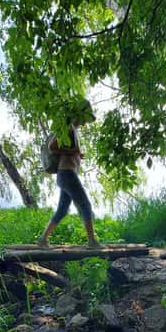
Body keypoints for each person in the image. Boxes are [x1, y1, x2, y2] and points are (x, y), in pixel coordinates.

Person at [37, 99, 100, 248]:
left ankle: (43, 239)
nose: (86, 122)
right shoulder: (69, 127)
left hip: (65, 175)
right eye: (85, 118)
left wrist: (77, 154)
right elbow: (52, 147)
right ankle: (92, 242)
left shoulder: (74, 130)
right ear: (79, 114)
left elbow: (68, 150)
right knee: (85, 205)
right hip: (67, 174)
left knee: (62, 210)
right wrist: (73, 152)